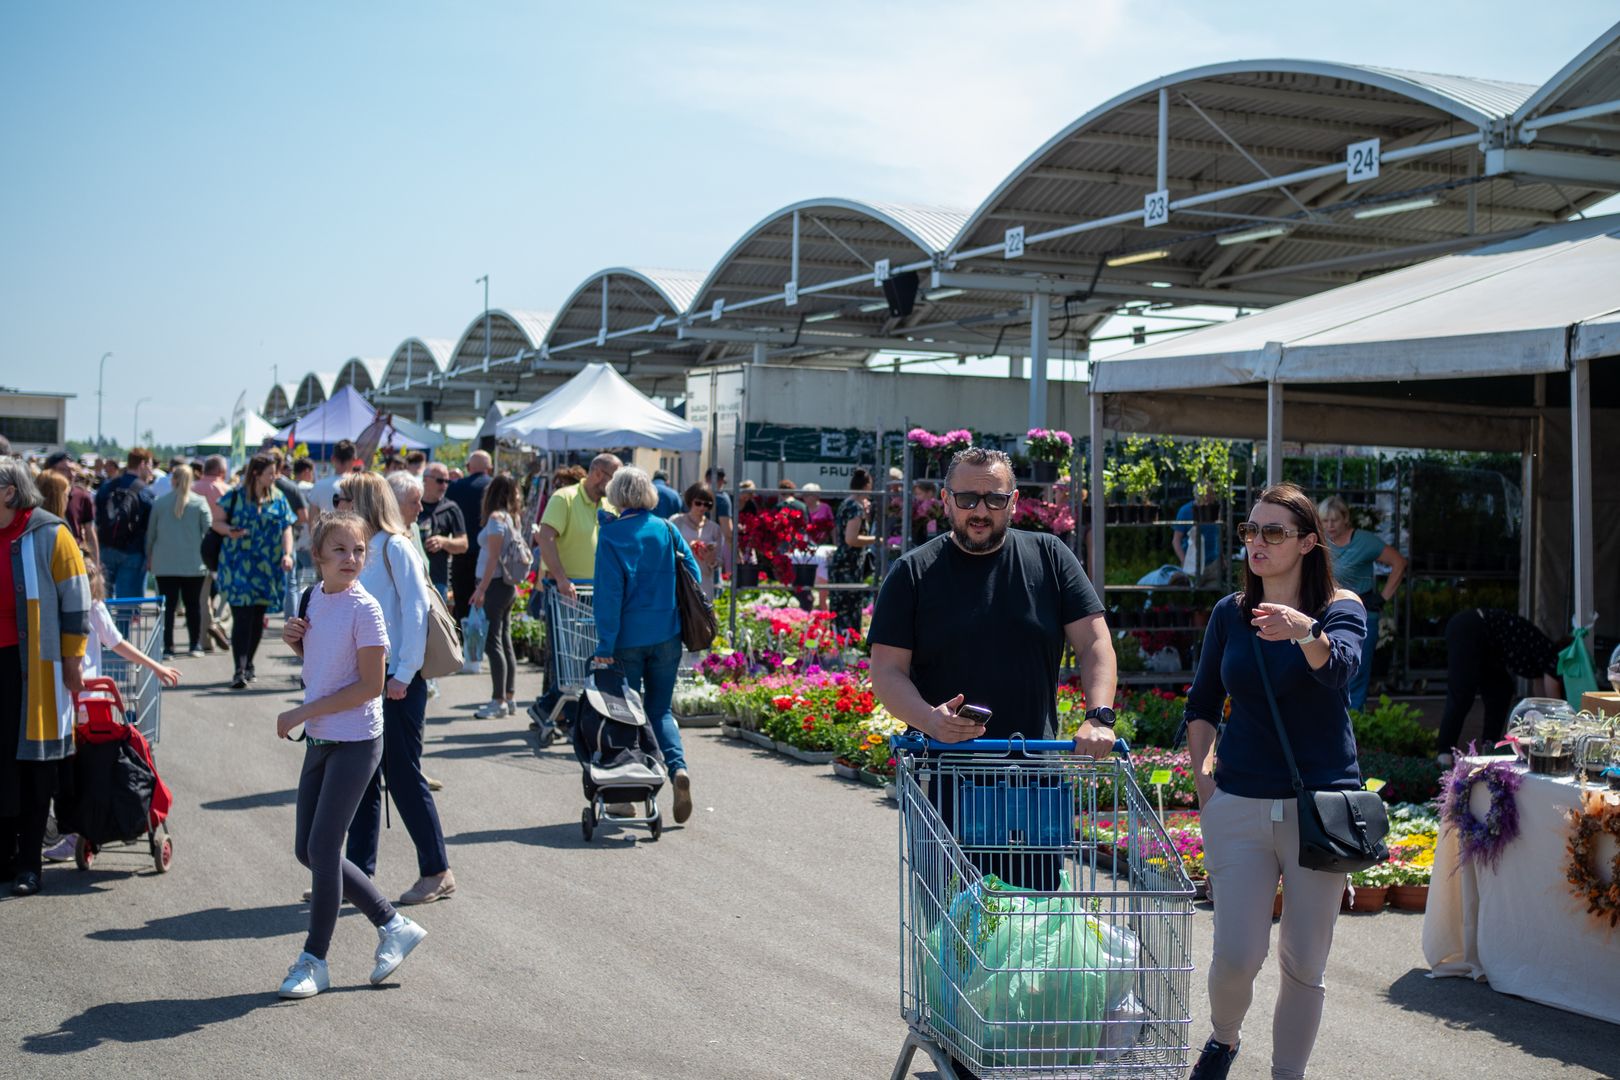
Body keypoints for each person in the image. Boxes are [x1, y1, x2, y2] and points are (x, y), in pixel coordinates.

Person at [1181, 482, 1367, 1080]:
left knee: (1302, 962)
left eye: (1274, 533)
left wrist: (1303, 631)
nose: (1257, 543)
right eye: (1251, 531)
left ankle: (1288, 1074)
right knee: (1237, 955)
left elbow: (1339, 670)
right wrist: (1204, 781)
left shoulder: (1343, 608)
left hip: (1319, 808)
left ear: (1309, 543)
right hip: (1238, 801)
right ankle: (1224, 1039)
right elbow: (1203, 700)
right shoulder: (1229, 615)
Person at [868, 446, 1117, 884]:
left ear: (1014, 502)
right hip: (945, 780)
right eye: (967, 499)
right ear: (945, 501)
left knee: (1036, 929)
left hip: (1033, 774)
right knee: (955, 932)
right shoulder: (913, 574)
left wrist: (1098, 716)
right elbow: (887, 671)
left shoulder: (1050, 558)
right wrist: (930, 720)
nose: (979, 511)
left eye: (994, 500)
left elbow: (1095, 642)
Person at [276, 510, 427, 999]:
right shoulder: (312, 598)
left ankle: (313, 960)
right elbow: (326, 665)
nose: (351, 558)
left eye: (359, 549)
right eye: (339, 549)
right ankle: (392, 923)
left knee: (322, 849)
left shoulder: (368, 609)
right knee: (308, 849)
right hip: (322, 736)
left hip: (358, 739)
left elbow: (369, 685)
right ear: (317, 556)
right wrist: (297, 643)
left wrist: (302, 711)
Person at [342, 471, 455, 906]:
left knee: (403, 774)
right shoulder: (361, 550)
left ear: (365, 502)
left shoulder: (395, 546)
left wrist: (404, 674)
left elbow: (416, 611)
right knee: (363, 777)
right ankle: (357, 877)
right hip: (368, 676)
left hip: (397, 677)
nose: (339, 505)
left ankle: (437, 870)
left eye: (345, 498)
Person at [0, 460, 90, 897]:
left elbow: (77, 599)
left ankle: (28, 864)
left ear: (8, 493)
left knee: (34, 766)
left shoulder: (50, 533)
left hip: (36, 667)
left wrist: (73, 660)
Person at [591, 466, 700, 825]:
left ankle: (627, 796)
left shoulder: (611, 536)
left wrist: (605, 643)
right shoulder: (667, 529)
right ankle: (677, 768)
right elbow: (694, 576)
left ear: (617, 495)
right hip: (667, 634)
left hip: (626, 639)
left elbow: (608, 595)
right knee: (661, 710)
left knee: (625, 712)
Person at [530, 455, 619, 724]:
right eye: (614, 477)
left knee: (584, 657)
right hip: (566, 590)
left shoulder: (608, 504)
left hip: (595, 591)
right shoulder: (564, 498)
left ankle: (550, 710)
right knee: (568, 657)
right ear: (597, 474)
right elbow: (545, 537)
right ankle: (563, 714)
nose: (616, 484)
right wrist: (560, 578)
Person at [1435, 608, 1562, 766]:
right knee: (1462, 691)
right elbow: (1555, 703)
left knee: (1501, 690)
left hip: (1489, 646)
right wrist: (1558, 724)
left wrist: (1545, 722)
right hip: (1471, 627)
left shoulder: (1540, 659)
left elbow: (1541, 698)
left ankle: (1489, 748)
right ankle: (1444, 754)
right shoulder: (1552, 657)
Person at [213, 453, 296, 689]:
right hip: (238, 566)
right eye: (270, 473)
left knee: (258, 616)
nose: (275, 477)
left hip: (266, 567)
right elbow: (216, 523)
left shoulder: (278, 499)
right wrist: (230, 530)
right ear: (257, 474)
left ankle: (249, 662)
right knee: (241, 616)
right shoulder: (235, 497)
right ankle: (239, 669)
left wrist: (287, 554)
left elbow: (286, 528)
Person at [1318, 496, 1408, 711]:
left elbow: (1399, 563)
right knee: (1326, 670)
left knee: (1355, 673)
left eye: (1334, 520)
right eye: (1324, 521)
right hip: (1327, 613)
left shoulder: (1365, 541)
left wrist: (1383, 598)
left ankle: (1356, 726)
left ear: (1345, 518)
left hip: (1361, 614)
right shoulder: (1320, 542)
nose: (1329, 526)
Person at [469, 474, 525, 719]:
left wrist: (480, 589)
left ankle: (498, 700)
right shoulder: (513, 518)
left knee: (493, 642)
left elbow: (493, 557)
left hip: (494, 584)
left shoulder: (495, 518)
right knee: (504, 639)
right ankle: (508, 696)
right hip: (507, 586)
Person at [145, 464, 212, 658]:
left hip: (164, 564)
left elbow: (151, 534)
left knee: (167, 608)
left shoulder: (159, 503)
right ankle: (194, 645)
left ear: (173, 480)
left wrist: (149, 556)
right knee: (193, 606)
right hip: (194, 564)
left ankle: (168, 647)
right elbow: (208, 532)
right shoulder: (200, 503)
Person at [94, 447, 156, 599]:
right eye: (150, 465)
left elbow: (97, 517)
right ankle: (122, 624)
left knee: (103, 601)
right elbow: (150, 528)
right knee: (125, 605)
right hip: (133, 551)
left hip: (106, 546)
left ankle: (105, 624)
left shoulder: (107, 487)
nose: (151, 470)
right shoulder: (145, 492)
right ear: (142, 464)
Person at [445, 450, 494, 625]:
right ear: (490, 468)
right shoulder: (494, 487)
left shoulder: (455, 487)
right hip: (489, 556)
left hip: (461, 551)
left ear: (468, 467)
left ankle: (463, 644)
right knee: (487, 608)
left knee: (462, 604)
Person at [827, 467, 877, 637]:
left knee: (839, 609)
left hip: (842, 561)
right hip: (848, 564)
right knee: (848, 608)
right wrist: (877, 539)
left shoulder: (846, 503)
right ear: (866, 485)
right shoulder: (855, 507)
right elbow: (851, 539)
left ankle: (838, 644)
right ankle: (848, 645)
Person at [418, 462, 468, 602]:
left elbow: (463, 544)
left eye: (447, 481)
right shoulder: (412, 504)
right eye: (440, 481)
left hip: (437, 579)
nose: (444, 485)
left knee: (436, 623)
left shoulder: (451, 508)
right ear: (425, 480)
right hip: (412, 577)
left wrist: (444, 542)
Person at [44, 452, 98, 566]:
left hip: (73, 555)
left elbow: (90, 531)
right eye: (64, 470)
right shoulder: (39, 495)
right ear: (49, 471)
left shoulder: (82, 496)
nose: (71, 474)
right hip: (46, 554)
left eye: (73, 470)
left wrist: (96, 563)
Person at [671, 483, 721, 599]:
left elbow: (718, 561)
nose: (702, 508)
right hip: (681, 578)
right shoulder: (676, 521)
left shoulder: (714, 528)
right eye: (698, 503)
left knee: (702, 615)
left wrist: (711, 559)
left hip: (704, 581)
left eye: (707, 504)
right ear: (690, 501)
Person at [1172, 490, 1224, 586]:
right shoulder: (1185, 511)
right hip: (1192, 565)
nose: (1213, 497)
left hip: (1213, 564)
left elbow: (1218, 534)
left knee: (1213, 596)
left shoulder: (1214, 511)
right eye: (1210, 494)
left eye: (1213, 494)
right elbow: (1176, 540)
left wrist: (1221, 556)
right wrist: (1184, 561)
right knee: (1191, 595)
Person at [307, 439, 358, 515]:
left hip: (325, 526)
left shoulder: (319, 486)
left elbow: (312, 522)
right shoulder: (361, 485)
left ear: (333, 458)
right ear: (354, 460)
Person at [706, 467, 733, 562]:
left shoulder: (695, 495)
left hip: (694, 542)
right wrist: (736, 552)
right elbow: (727, 531)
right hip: (714, 544)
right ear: (722, 481)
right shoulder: (722, 499)